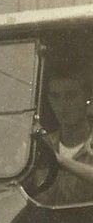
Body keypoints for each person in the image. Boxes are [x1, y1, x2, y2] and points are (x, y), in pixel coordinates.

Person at [38, 65, 93, 204]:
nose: (63, 105)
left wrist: (61, 161)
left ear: (88, 99)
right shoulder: (42, 144)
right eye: (55, 96)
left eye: (71, 95)